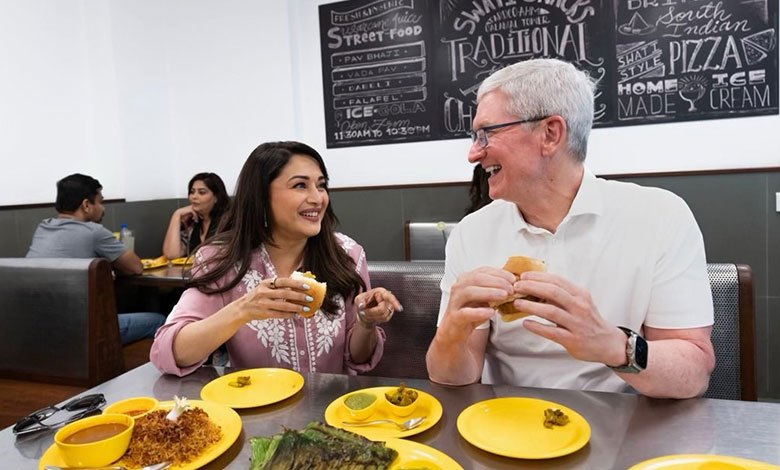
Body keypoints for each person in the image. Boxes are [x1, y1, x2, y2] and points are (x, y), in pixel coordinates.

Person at [425, 59, 715, 399]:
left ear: (551, 134)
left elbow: (694, 373)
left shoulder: (661, 216)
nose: (474, 153)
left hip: (623, 428)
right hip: (502, 425)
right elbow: (452, 378)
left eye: (487, 133)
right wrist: (451, 336)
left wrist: (614, 346)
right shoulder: (471, 234)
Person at [151, 141, 402, 376]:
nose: (318, 198)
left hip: (332, 412)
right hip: (255, 413)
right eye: (300, 185)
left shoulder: (347, 254)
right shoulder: (220, 258)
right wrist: (244, 309)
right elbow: (167, 351)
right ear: (261, 196)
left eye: (321, 185)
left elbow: (359, 358)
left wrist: (366, 322)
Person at [26, 173, 165, 345]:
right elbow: (136, 267)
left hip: (34, 328)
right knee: (158, 322)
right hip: (79, 330)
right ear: (86, 205)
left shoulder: (43, 227)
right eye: (100, 202)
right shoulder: (93, 231)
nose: (103, 208)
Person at [162, 172, 229, 260]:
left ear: (216, 198)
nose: (194, 197)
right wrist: (176, 214)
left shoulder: (228, 221)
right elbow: (171, 255)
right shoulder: (191, 222)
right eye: (192, 192)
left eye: (201, 192)